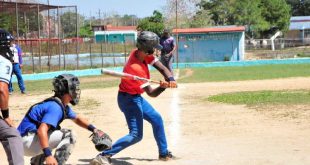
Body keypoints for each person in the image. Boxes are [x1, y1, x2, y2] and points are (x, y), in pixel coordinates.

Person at [91, 31, 177, 165]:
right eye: (154, 48)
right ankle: (103, 155)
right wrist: (163, 86)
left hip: (135, 96)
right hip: (128, 100)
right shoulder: (135, 69)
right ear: (147, 49)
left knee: (156, 119)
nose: (156, 51)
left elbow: (162, 68)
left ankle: (163, 153)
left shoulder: (141, 54)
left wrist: (170, 78)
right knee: (136, 135)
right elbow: (151, 93)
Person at [17, 74, 110, 165]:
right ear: (67, 90)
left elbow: (76, 118)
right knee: (69, 135)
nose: (76, 92)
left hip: (22, 141)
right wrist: (48, 155)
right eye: (74, 89)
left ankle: (36, 163)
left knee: (52, 132)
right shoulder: (55, 107)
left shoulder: (59, 104)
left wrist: (94, 129)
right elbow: (42, 131)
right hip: (26, 141)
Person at [0, 29, 24, 165]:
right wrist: (6, 115)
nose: (11, 47)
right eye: (8, 44)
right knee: (12, 135)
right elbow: (2, 89)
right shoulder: (3, 60)